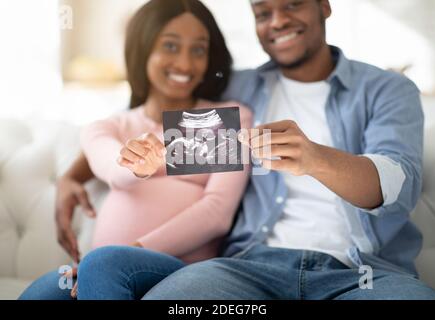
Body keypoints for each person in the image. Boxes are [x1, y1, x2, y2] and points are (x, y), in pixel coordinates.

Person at [139, 0, 435, 299]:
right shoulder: (235, 89)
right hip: (249, 271)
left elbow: (398, 186)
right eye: (263, 13)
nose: (277, 21)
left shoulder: (387, 89)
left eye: (292, 5)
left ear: (324, 6)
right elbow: (154, 111)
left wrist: (316, 159)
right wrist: (89, 169)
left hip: (362, 276)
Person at [19, 0, 251, 300]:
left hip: (181, 272)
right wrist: (137, 167)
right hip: (97, 268)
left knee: (104, 265)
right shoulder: (108, 127)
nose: (184, 64)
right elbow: (114, 171)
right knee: (43, 293)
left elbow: (217, 212)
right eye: (170, 46)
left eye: (198, 50)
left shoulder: (224, 119)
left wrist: (129, 253)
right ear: (142, 49)